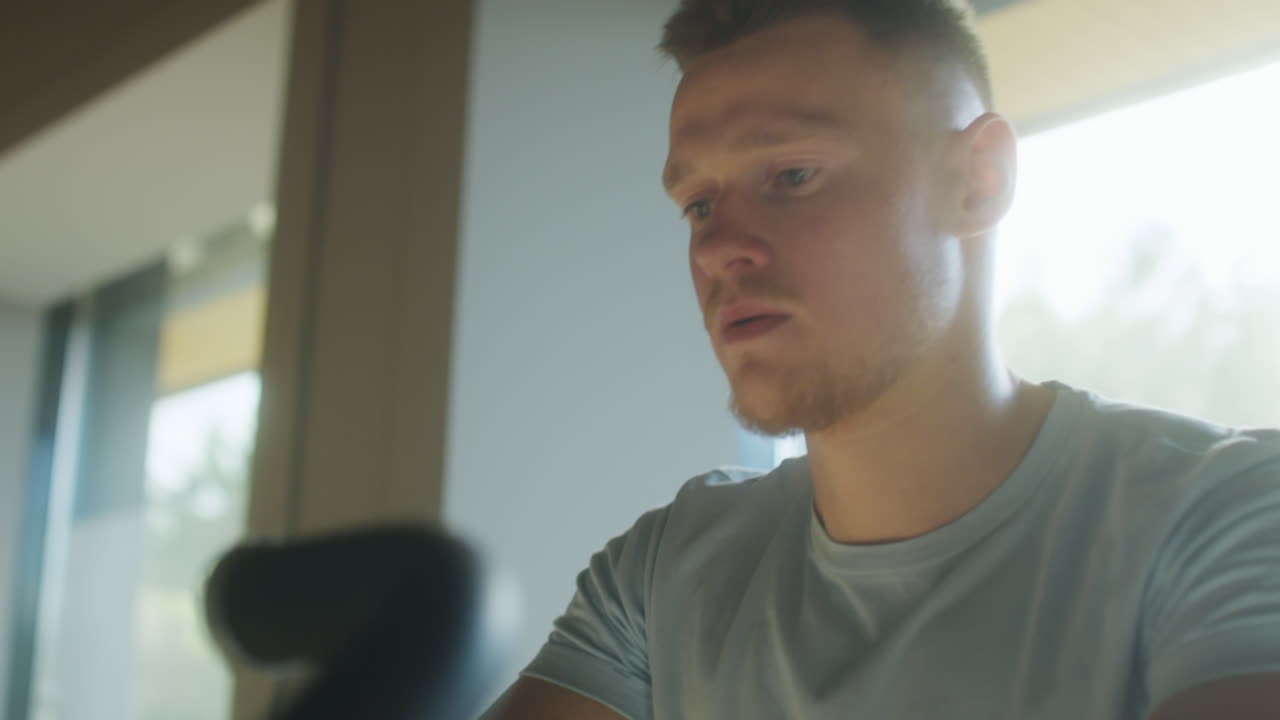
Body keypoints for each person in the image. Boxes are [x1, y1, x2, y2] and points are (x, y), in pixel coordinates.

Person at [482, 1, 1280, 718]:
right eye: (699, 204)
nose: (717, 248)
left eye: (793, 175)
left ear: (979, 179)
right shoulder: (666, 574)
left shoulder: (1224, 516)